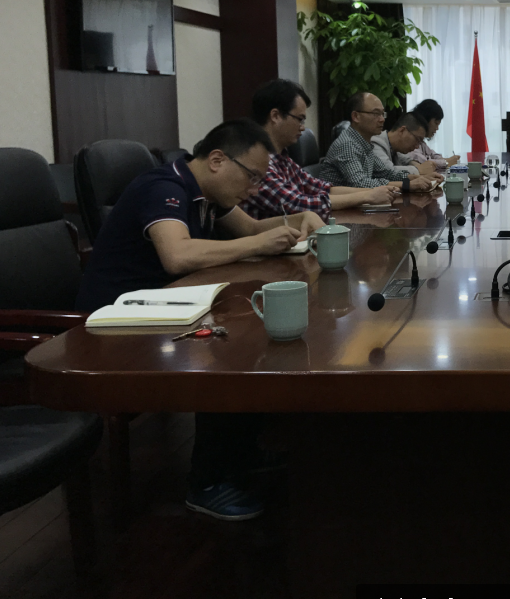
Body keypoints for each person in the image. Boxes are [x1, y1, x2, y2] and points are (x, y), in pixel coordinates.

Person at [75, 119, 326, 521]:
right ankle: (207, 482)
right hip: (115, 323)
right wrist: (257, 243)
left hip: (167, 307)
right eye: (252, 177)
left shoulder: (207, 193)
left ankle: (241, 452)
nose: (255, 189)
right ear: (217, 160)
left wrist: (300, 219)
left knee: (252, 331)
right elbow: (178, 256)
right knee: (230, 350)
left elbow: (252, 228)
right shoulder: (165, 187)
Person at [240, 79, 399, 220]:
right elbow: (297, 204)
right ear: (275, 116)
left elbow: (322, 188)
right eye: (300, 119)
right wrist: (367, 196)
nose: (303, 127)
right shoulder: (256, 161)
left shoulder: (283, 159)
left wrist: (373, 193)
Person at [317, 92, 440, 191]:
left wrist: (418, 178)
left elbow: (387, 173)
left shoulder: (365, 144)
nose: (382, 119)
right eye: (376, 114)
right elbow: (360, 184)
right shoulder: (347, 144)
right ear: (356, 116)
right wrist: (408, 184)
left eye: (382, 114)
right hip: (338, 211)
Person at [371, 113, 444, 177]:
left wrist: (421, 167)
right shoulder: (376, 142)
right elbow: (387, 171)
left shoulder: (396, 148)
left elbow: (408, 160)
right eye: (417, 139)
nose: (417, 146)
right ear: (402, 131)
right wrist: (418, 170)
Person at [398, 99, 461, 170]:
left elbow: (433, 154)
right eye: (436, 123)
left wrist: (446, 160)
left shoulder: (422, 143)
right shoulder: (410, 139)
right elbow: (424, 163)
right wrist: (446, 162)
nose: (437, 128)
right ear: (425, 119)